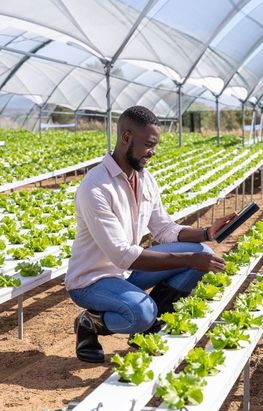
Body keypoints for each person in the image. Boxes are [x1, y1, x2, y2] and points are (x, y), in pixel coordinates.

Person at [65, 106, 235, 363]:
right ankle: (91, 322)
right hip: (92, 280)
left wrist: (206, 233)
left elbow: (165, 229)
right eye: (148, 145)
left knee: (203, 253)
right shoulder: (96, 187)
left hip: (125, 273)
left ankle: (145, 329)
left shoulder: (145, 180)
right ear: (126, 137)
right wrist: (188, 259)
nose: (152, 152)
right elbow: (122, 254)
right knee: (142, 311)